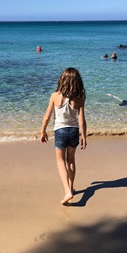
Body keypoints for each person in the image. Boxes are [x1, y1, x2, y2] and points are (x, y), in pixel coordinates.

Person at [40, 68, 87, 205]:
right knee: (71, 161)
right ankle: (71, 188)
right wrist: (84, 136)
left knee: (60, 162)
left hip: (60, 132)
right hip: (73, 132)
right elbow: (82, 121)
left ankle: (67, 191)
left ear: (62, 80)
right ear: (77, 82)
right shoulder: (79, 99)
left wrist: (43, 131)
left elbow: (47, 116)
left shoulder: (55, 96)